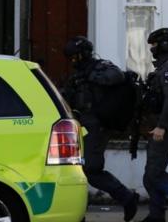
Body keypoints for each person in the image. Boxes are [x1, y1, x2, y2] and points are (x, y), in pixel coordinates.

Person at [62, 36, 139, 222]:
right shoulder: (76, 76)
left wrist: (92, 77)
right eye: (70, 58)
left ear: (84, 54)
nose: (73, 62)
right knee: (75, 168)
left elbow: (117, 76)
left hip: (97, 126)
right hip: (81, 126)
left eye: (75, 57)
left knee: (91, 169)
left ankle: (127, 197)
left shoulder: (99, 66)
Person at [141, 28, 168, 222]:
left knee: (153, 175)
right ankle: (156, 216)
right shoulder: (165, 66)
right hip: (162, 126)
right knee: (151, 176)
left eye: (155, 45)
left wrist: (162, 126)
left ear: (164, 45)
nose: (152, 49)